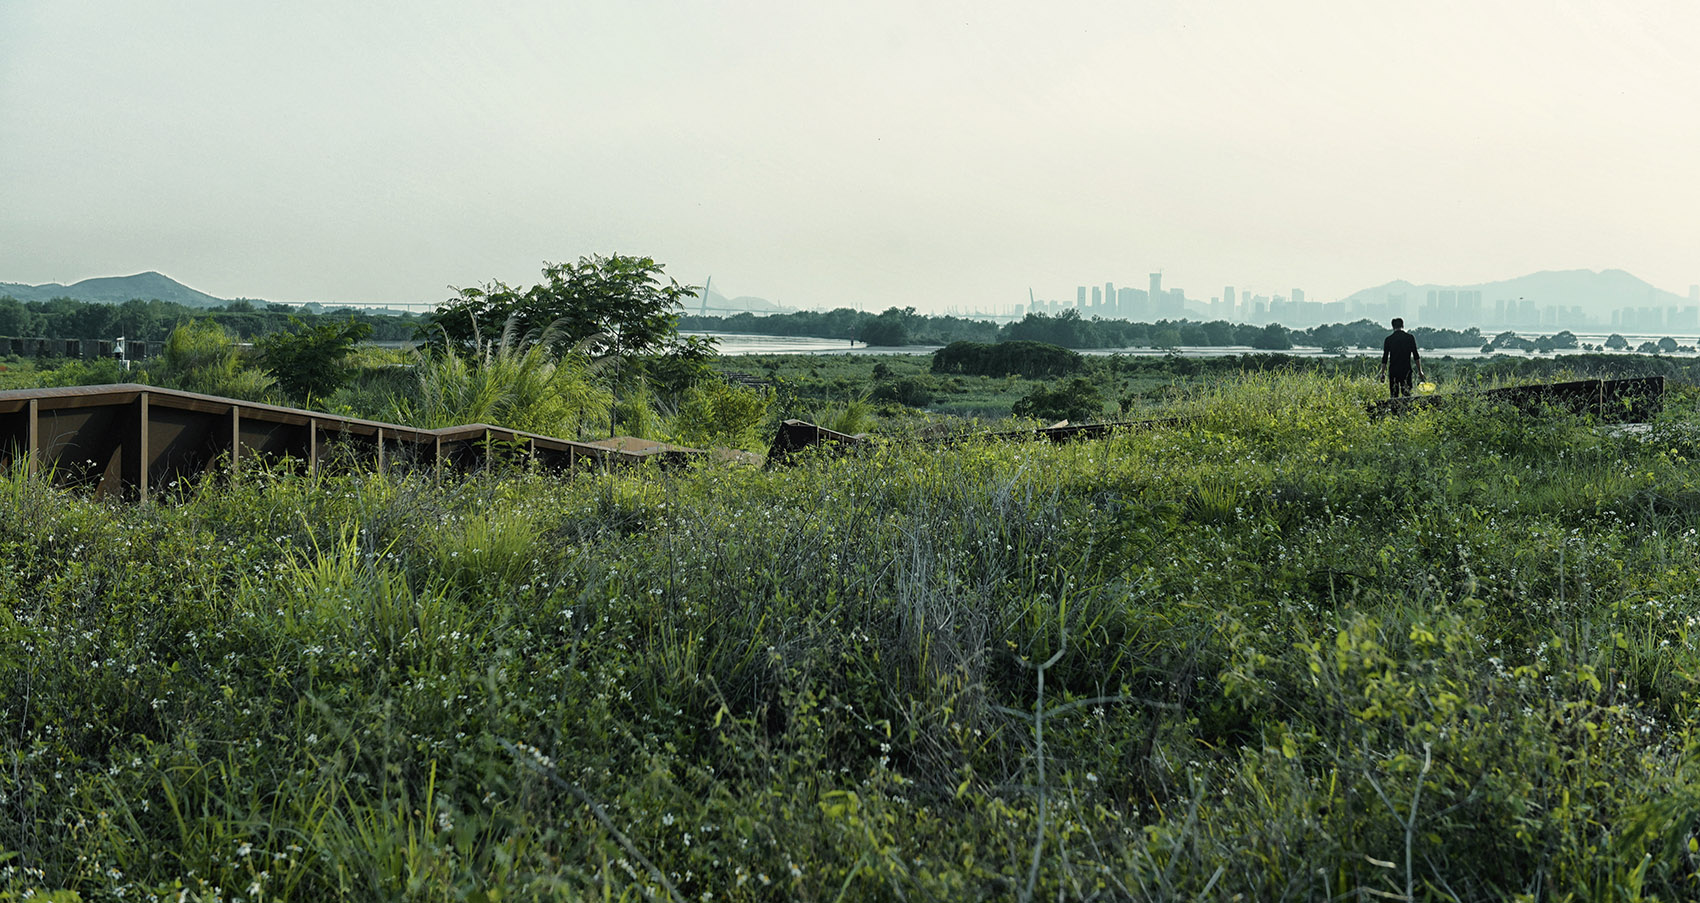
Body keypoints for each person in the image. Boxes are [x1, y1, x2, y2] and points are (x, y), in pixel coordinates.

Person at [1380, 317, 1425, 397]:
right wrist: (1420, 371)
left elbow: (1385, 358)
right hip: (1406, 370)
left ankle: (1395, 409)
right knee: (1407, 395)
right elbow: (1416, 356)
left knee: (1394, 396)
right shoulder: (1409, 338)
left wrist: (1383, 373)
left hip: (1394, 371)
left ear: (1393, 327)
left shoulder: (1388, 340)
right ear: (1403, 325)